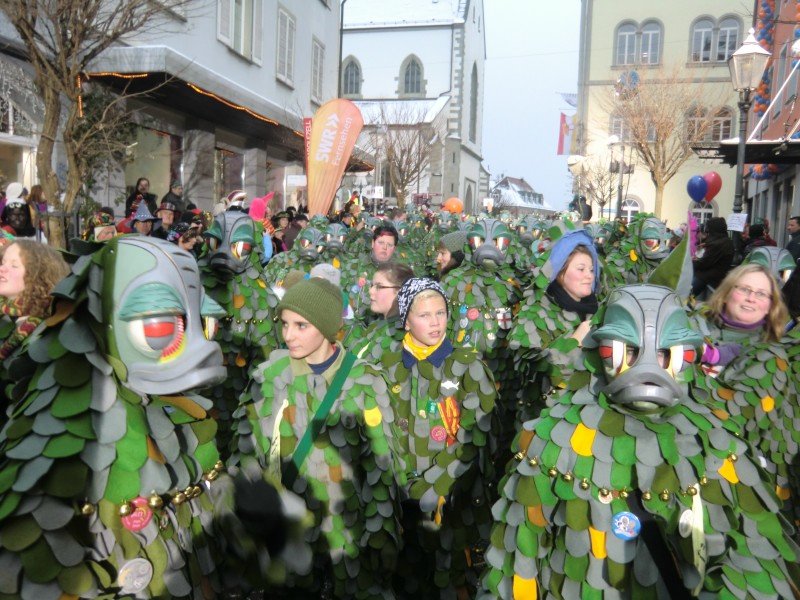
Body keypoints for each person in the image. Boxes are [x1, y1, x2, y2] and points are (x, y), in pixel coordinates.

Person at [229, 278, 402, 598]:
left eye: (301, 325)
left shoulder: (365, 380)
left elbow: (380, 466)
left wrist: (380, 534)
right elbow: (248, 449)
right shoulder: (269, 375)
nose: (288, 335)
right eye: (285, 324)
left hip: (347, 529)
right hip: (288, 527)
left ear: (326, 326)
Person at [380, 278, 497, 599]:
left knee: (450, 575)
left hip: (449, 499)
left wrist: (434, 484)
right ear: (406, 321)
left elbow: (475, 436)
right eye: (424, 315)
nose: (435, 322)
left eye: (441, 313)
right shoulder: (388, 367)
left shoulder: (467, 366)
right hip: (400, 497)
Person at [0, 240, 68, 412]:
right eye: (3, 262)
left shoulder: (48, 329)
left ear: (38, 275)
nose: (2, 269)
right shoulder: (5, 316)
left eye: (14, 265)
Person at [343, 262, 414, 362]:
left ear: (401, 292)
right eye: (372, 285)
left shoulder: (404, 340)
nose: (370, 291)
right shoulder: (376, 324)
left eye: (379, 287)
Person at [691, 216, 734, 298]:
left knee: (687, 294)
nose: (707, 231)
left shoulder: (717, 244)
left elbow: (704, 263)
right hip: (716, 273)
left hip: (708, 276)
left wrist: (691, 262)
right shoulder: (725, 241)